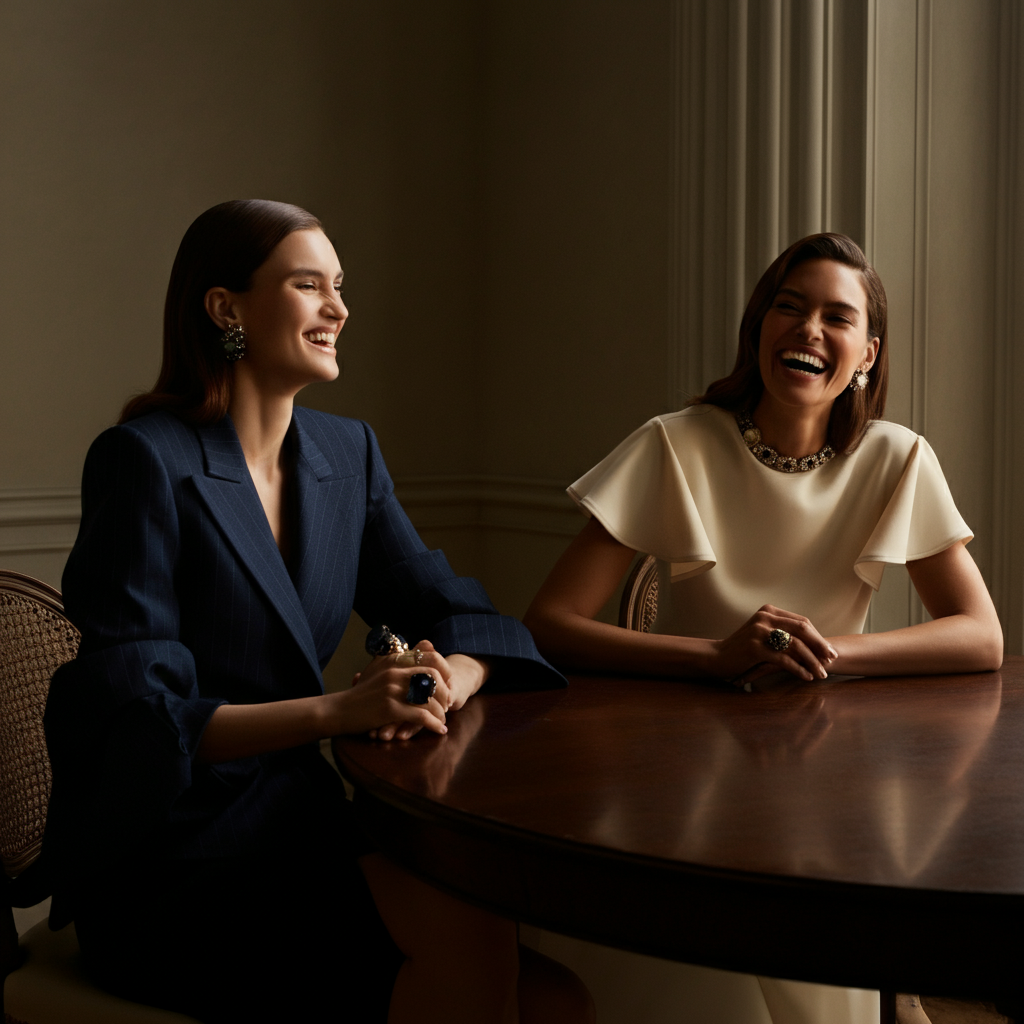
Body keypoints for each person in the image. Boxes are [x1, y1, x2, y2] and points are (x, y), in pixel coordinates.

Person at [42, 199, 594, 1024]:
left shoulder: (347, 452)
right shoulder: (143, 461)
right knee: (473, 953)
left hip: (304, 822)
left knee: (555, 999)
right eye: (309, 285)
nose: (339, 309)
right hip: (176, 855)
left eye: (340, 287)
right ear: (225, 307)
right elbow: (144, 723)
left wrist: (449, 676)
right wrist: (343, 711)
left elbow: (466, 615)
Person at [523, 232, 1002, 1024]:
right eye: (790, 306)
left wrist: (825, 652)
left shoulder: (897, 458)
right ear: (760, 328)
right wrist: (714, 657)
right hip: (678, 766)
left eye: (837, 317)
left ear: (868, 355)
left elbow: (980, 635)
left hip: (824, 774)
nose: (809, 328)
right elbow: (548, 624)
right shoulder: (677, 442)